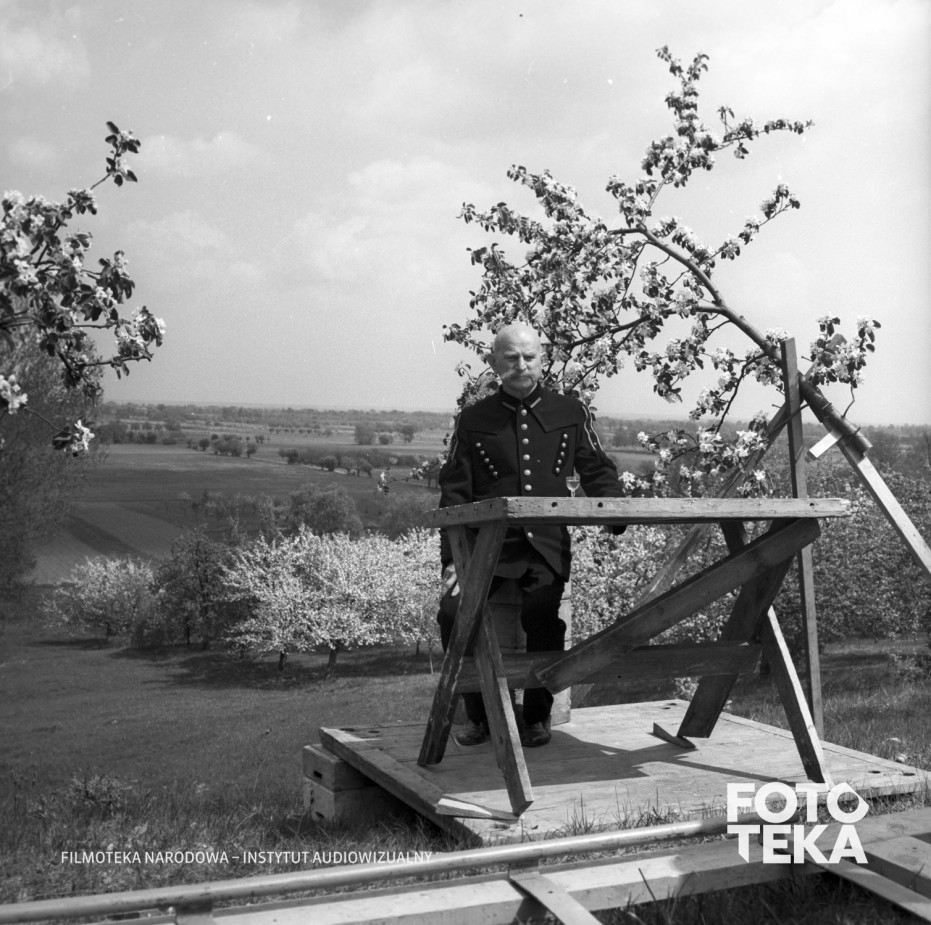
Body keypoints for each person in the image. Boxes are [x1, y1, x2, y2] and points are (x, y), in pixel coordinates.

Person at [437, 323, 625, 748]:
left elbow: (596, 467)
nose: (521, 365)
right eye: (511, 358)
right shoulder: (473, 419)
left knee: (542, 614)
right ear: (494, 363)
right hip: (484, 548)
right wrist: (453, 559)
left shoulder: (571, 412)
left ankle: (537, 717)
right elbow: (454, 492)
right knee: (452, 614)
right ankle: (479, 716)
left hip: (545, 546)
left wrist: (614, 512)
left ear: (543, 359)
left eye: (529, 356)